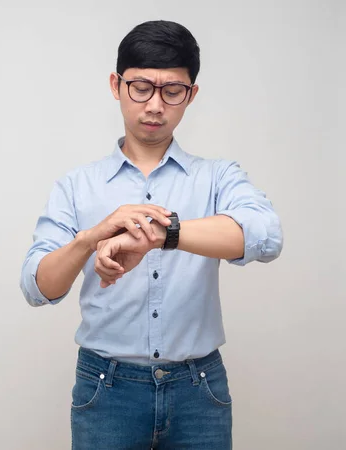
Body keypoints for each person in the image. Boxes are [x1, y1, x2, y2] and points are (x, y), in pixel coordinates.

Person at [19, 19, 283, 450]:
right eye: (141, 87)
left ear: (191, 94)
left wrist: (164, 234)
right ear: (116, 85)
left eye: (172, 90)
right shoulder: (76, 185)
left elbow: (266, 235)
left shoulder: (216, 177)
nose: (155, 105)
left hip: (200, 388)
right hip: (107, 388)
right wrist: (92, 238)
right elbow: (37, 286)